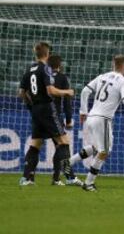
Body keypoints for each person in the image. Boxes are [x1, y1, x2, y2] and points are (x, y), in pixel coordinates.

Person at [68, 55, 124, 192]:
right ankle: (89, 183)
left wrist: (83, 111)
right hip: (103, 119)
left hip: (91, 116)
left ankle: (68, 163)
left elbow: (85, 91)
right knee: (104, 151)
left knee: (97, 148)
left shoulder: (102, 76)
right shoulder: (123, 81)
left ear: (112, 64)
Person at [18, 42, 78, 185]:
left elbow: (21, 92)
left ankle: (26, 178)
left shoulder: (29, 69)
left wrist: (31, 106)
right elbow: (51, 90)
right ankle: (70, 177)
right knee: (63, 141)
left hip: (36, 110)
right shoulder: (45, 68)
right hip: (47, 107)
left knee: (36, 143)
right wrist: (67, 92)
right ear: (47, 54)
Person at [47, 54, 82, 186]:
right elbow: (67, 102)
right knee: (64, 144)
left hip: (39, 115)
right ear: (60, 65)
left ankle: (55, 179)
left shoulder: (44, 78)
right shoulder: (62, 78)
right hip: (54, 116)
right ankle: (70, 177)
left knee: (54, 146)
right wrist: (68, 120)